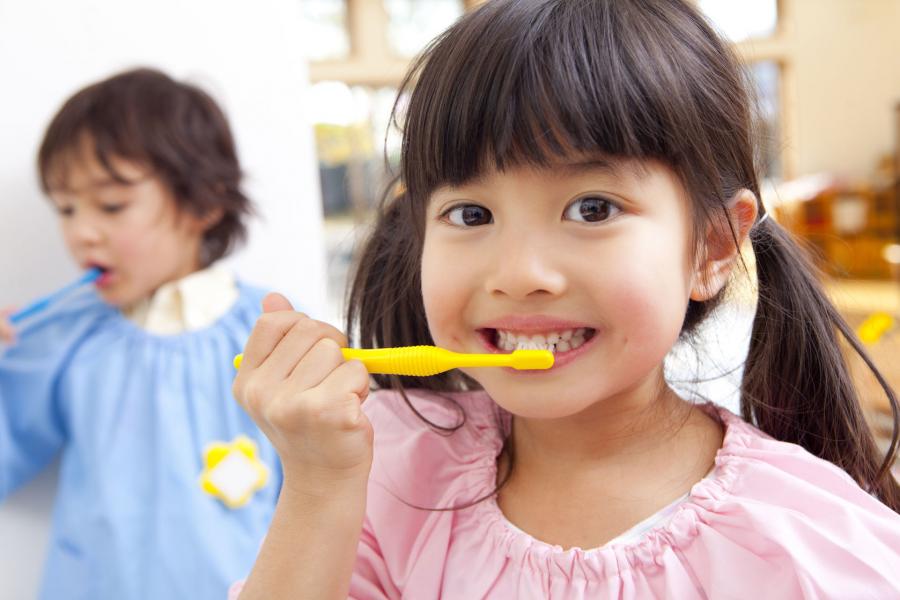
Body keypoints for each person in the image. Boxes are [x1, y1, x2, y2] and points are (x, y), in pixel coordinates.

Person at [230, 1, 900, 598]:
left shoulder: (808, 546)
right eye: (470, 215)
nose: (520, 274)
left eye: (592, 207)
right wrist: (319, 485)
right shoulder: (384, 472)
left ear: (713, 248)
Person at [0, 68, 280, 599]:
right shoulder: (64, 338)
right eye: (65, 208)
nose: (81, 231)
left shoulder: (270, 336)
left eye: (111, 205)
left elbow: (329, 497)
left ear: (205, 202)